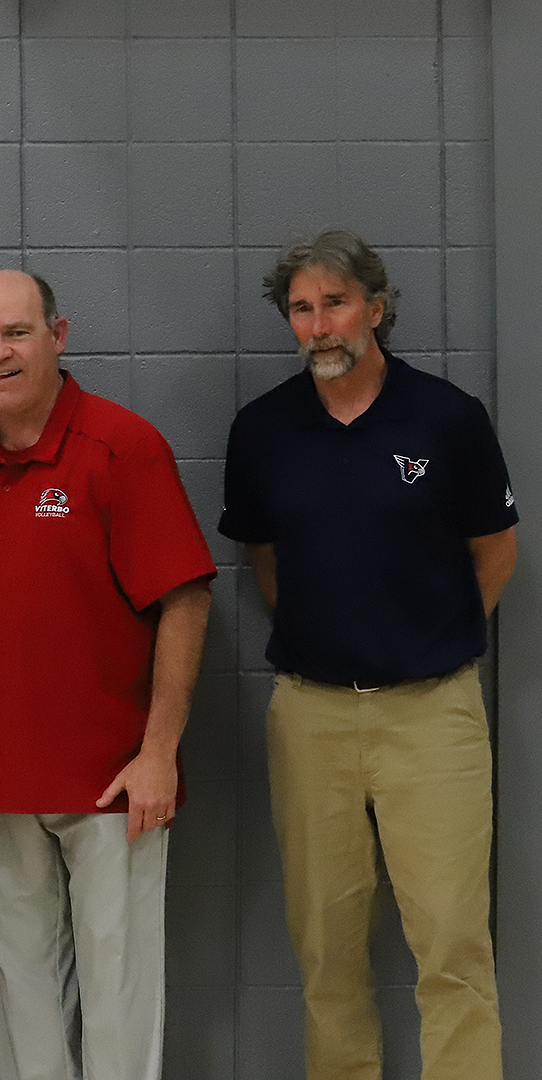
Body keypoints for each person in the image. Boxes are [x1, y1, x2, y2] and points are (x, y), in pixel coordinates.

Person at [220, 230, 514, 1080]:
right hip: (310, 715)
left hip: (434, 715)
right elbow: (264, 558)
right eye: (302, 310)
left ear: (375, 310)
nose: (320, 326)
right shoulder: (262, 430)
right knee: (327, 954)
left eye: (335, 304)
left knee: (454, 944)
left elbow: (496, 550)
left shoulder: (447, 418)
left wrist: (426, 636)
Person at [0, 269, 215, 1080]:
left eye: (17, 332)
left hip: (113, 781)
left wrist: (159, 752)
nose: (0, 351)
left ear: (59, 335)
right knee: (24, 998)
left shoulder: (122, 445)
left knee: (119, 999)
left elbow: (185, 602)